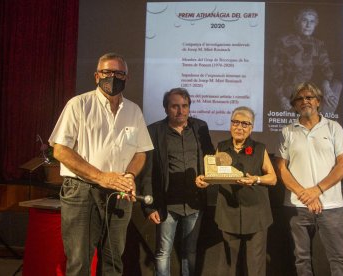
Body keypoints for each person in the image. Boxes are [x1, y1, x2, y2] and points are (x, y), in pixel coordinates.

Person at [48, 53, 154, 275]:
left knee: (114, 262)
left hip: (119, 193)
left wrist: (130, 176)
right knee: (79, 262)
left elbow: (141, 152)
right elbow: (60, 150)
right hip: (82, 192)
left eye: (118, 73)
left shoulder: (133, 110)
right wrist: (101, 177)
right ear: (97, 76)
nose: (112, 77)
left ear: (126, 77)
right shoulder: (78, 104)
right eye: (107, 72)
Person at [275, 82, 343, 275]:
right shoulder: (287, 132)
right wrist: (304, 194)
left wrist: (316, 191)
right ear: (294, 105)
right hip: (297, 207)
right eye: (299, 99)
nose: (305, 101)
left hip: (331, 207)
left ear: (318, 102)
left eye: (309, 97)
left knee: (340, 260)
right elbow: (281, 168)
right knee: (301, 261)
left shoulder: (334, 128)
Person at [139, 88, 214, 276]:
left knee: (190, 251)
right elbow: (147, 172)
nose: (180, 111)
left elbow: (210, 159)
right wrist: (149, 207)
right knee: (163, 252)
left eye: (184, 106)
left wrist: (208, 178)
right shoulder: (154, 131)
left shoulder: (200, 127)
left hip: (195, 202)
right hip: (167, 204)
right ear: (166, 109)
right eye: (175, 106)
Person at [196, 106, 277, 276]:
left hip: (256, 215)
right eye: (236, 122)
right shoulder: (222, 147)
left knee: (256, 266)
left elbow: (273, 178)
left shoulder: (259, 149)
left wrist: (256, 179)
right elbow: (215, 174)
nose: (239, 127)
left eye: (245, 124)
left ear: (251, 128)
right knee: (229, 264)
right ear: (230, 124)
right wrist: (205, 180)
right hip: (228, 213)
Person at [271, 8, 342, 114]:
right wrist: (281, 98)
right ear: (297, 21)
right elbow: (275, 73)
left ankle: (321, 118)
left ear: (316, 24)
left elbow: (326, 67)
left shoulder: (318, 44)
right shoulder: (284, 42)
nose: (308, 25)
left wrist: (326, 86)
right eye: (304, 20)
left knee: (337, 85)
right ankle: (315, 116)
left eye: (312, 21)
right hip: (292, 88)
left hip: (312, 87)